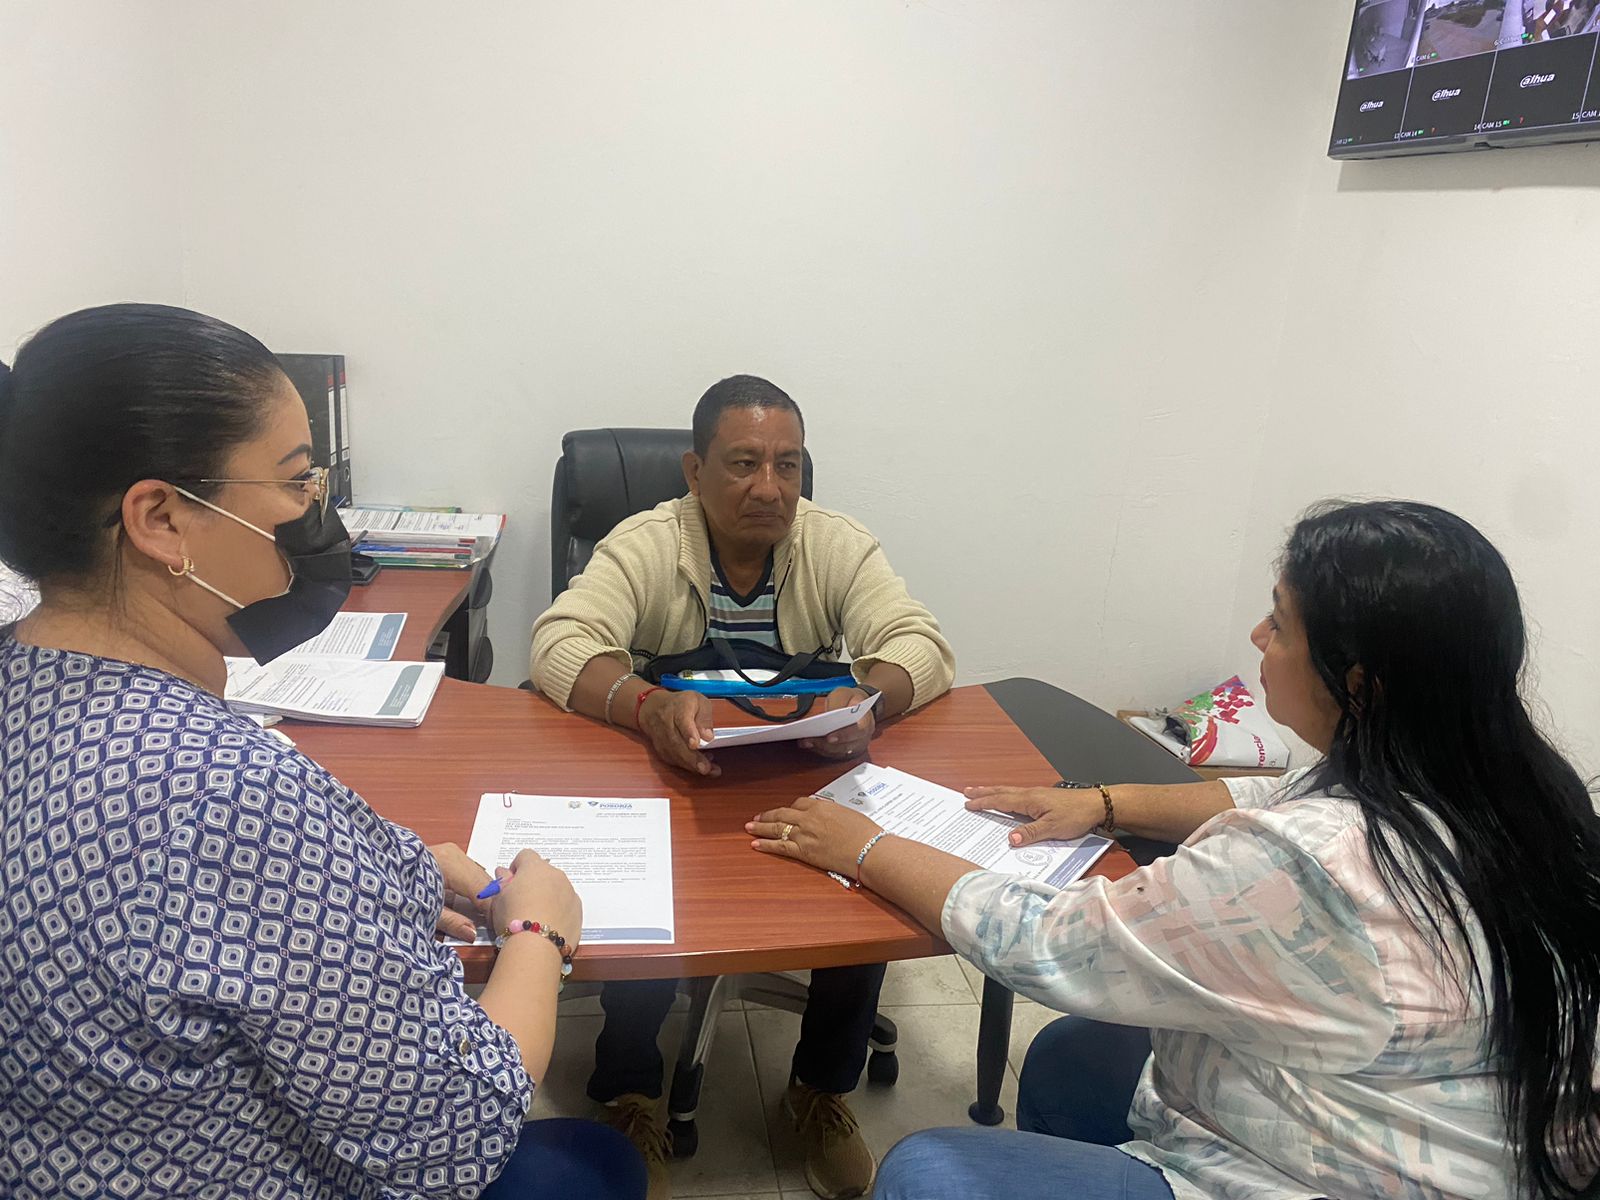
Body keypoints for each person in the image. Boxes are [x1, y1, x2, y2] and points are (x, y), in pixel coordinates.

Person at [745, 499, 1600, 1200]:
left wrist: (866, 844)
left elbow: (1050, 941)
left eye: (1280, 623)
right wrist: (1103, 804)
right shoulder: (1516, 795)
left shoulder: (1306, 869)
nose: (1258, 638)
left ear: (1359, 684)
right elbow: (1273, 792)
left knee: (930, 1174)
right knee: (1073, 1057)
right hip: (1451, 1128)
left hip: (1326, 1172)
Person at [0, 304, 646, 1200]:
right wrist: (540, 933)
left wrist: (382, 872)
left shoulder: (25, 676)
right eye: (297, 480)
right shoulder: (221, 791)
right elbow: (452, 1134)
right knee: (596, 1168)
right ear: (161, 518)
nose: (317, 509)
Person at [530, 375, 955, 1199]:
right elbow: (559, 643)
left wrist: (868, 701)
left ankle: (821, 1089)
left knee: (869, 880)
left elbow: (921, 644)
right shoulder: (646, 544)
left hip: (801, 775)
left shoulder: (835, 545)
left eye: (788, 465)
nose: (770, 487)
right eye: (744, 463)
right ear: (695, 471)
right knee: (648, 899)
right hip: (680, 772)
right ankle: (629, 1095)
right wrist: (646, 706)